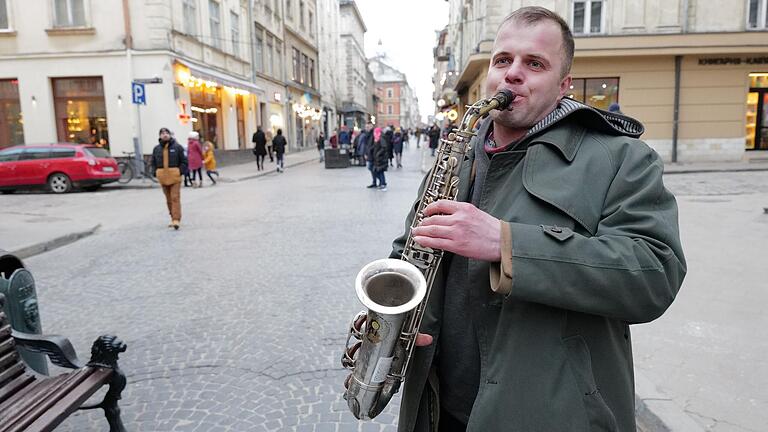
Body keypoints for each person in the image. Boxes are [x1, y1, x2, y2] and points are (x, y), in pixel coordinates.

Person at [390, 7, 686, 432]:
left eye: (534, 63)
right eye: (503, 60)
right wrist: (391, 313)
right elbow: (412, 247)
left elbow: (655, 273)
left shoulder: (622, 158)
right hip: (441, 408)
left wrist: (507, 245)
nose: (512, 73)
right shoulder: (457, 154)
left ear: (564, 84)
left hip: (552, 415)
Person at [151, 127, 187, 230]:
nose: (165, 135)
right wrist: (155, 172)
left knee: (175, 197)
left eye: (166, 133)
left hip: (175, 177)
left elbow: (184, 161)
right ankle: (172, 217)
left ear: (170, 135)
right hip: (163, 176)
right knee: (168, 199)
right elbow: (153, 162)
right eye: (162, 133)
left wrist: (179, 172)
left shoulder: (177, 147)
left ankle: (176, 219)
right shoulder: (157, 149)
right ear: (160, 136)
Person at [370, 127, 388, 191]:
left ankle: (383, 184)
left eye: (375, 132)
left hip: (381, 158)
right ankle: (381, 183)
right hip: (377, 158)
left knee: (380, 171)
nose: (374, 133)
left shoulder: (381, 138)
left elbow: (384, 147)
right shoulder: (376, 138)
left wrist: (378, 154)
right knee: (377, 171)